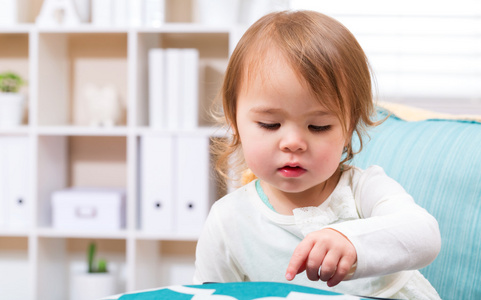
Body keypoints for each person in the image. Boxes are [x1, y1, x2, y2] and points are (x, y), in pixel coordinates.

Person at [194, 10, 441, 299]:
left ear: (348, 130)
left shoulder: (363, 189)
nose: (293, 143)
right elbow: (209, 294)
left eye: (318, 126)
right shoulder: (228, 221)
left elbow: (424, 235)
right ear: (235, 124)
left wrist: (350, 241)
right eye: (270, 124)